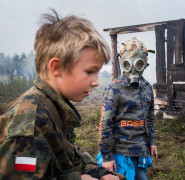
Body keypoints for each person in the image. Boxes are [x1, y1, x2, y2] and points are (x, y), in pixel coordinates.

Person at [0, 9, 125, 180]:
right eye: (90, 72)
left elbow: (67, 156)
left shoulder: (53, 108)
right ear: (57, 68)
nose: (96, 82)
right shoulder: (32, 119)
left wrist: (100, 173)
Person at [97, 38, 158, 180]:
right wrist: (107, 157)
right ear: (122, 63)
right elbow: (105, 123)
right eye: (128, 63)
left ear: (145, 62)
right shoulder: (114, 88)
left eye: (138, 63)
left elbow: (150, 117)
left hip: (141, 150)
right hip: (120, 152)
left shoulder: (147, 87)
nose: (133, 69)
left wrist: (152, 142)